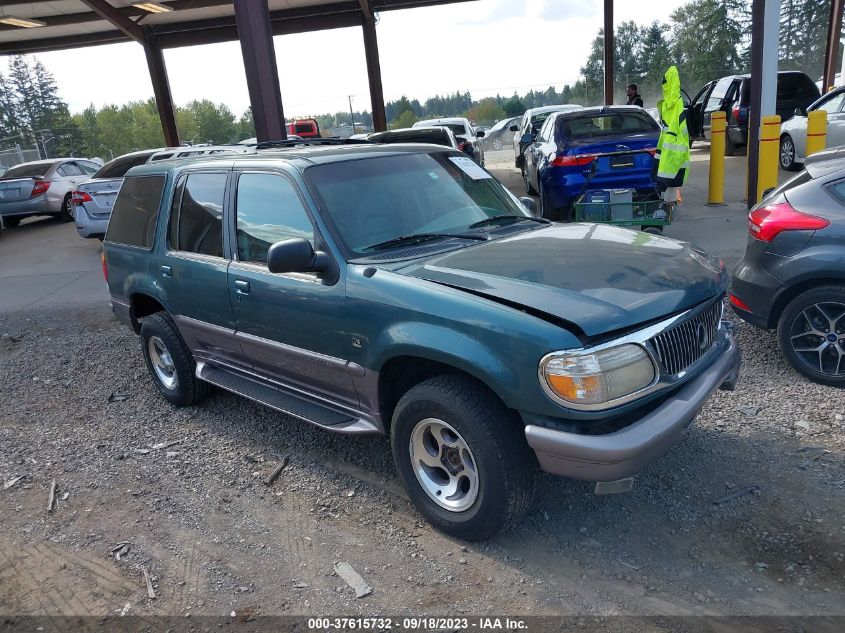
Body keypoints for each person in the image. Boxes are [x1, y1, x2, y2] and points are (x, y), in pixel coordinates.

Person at [654, 66, 690, 197]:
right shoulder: (668, 104)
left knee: (669, 197)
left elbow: (674, 138)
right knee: (668, 197)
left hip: (673, 160)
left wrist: (662, 179)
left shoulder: (674, 104)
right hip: (669, 161)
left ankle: (667, 209)